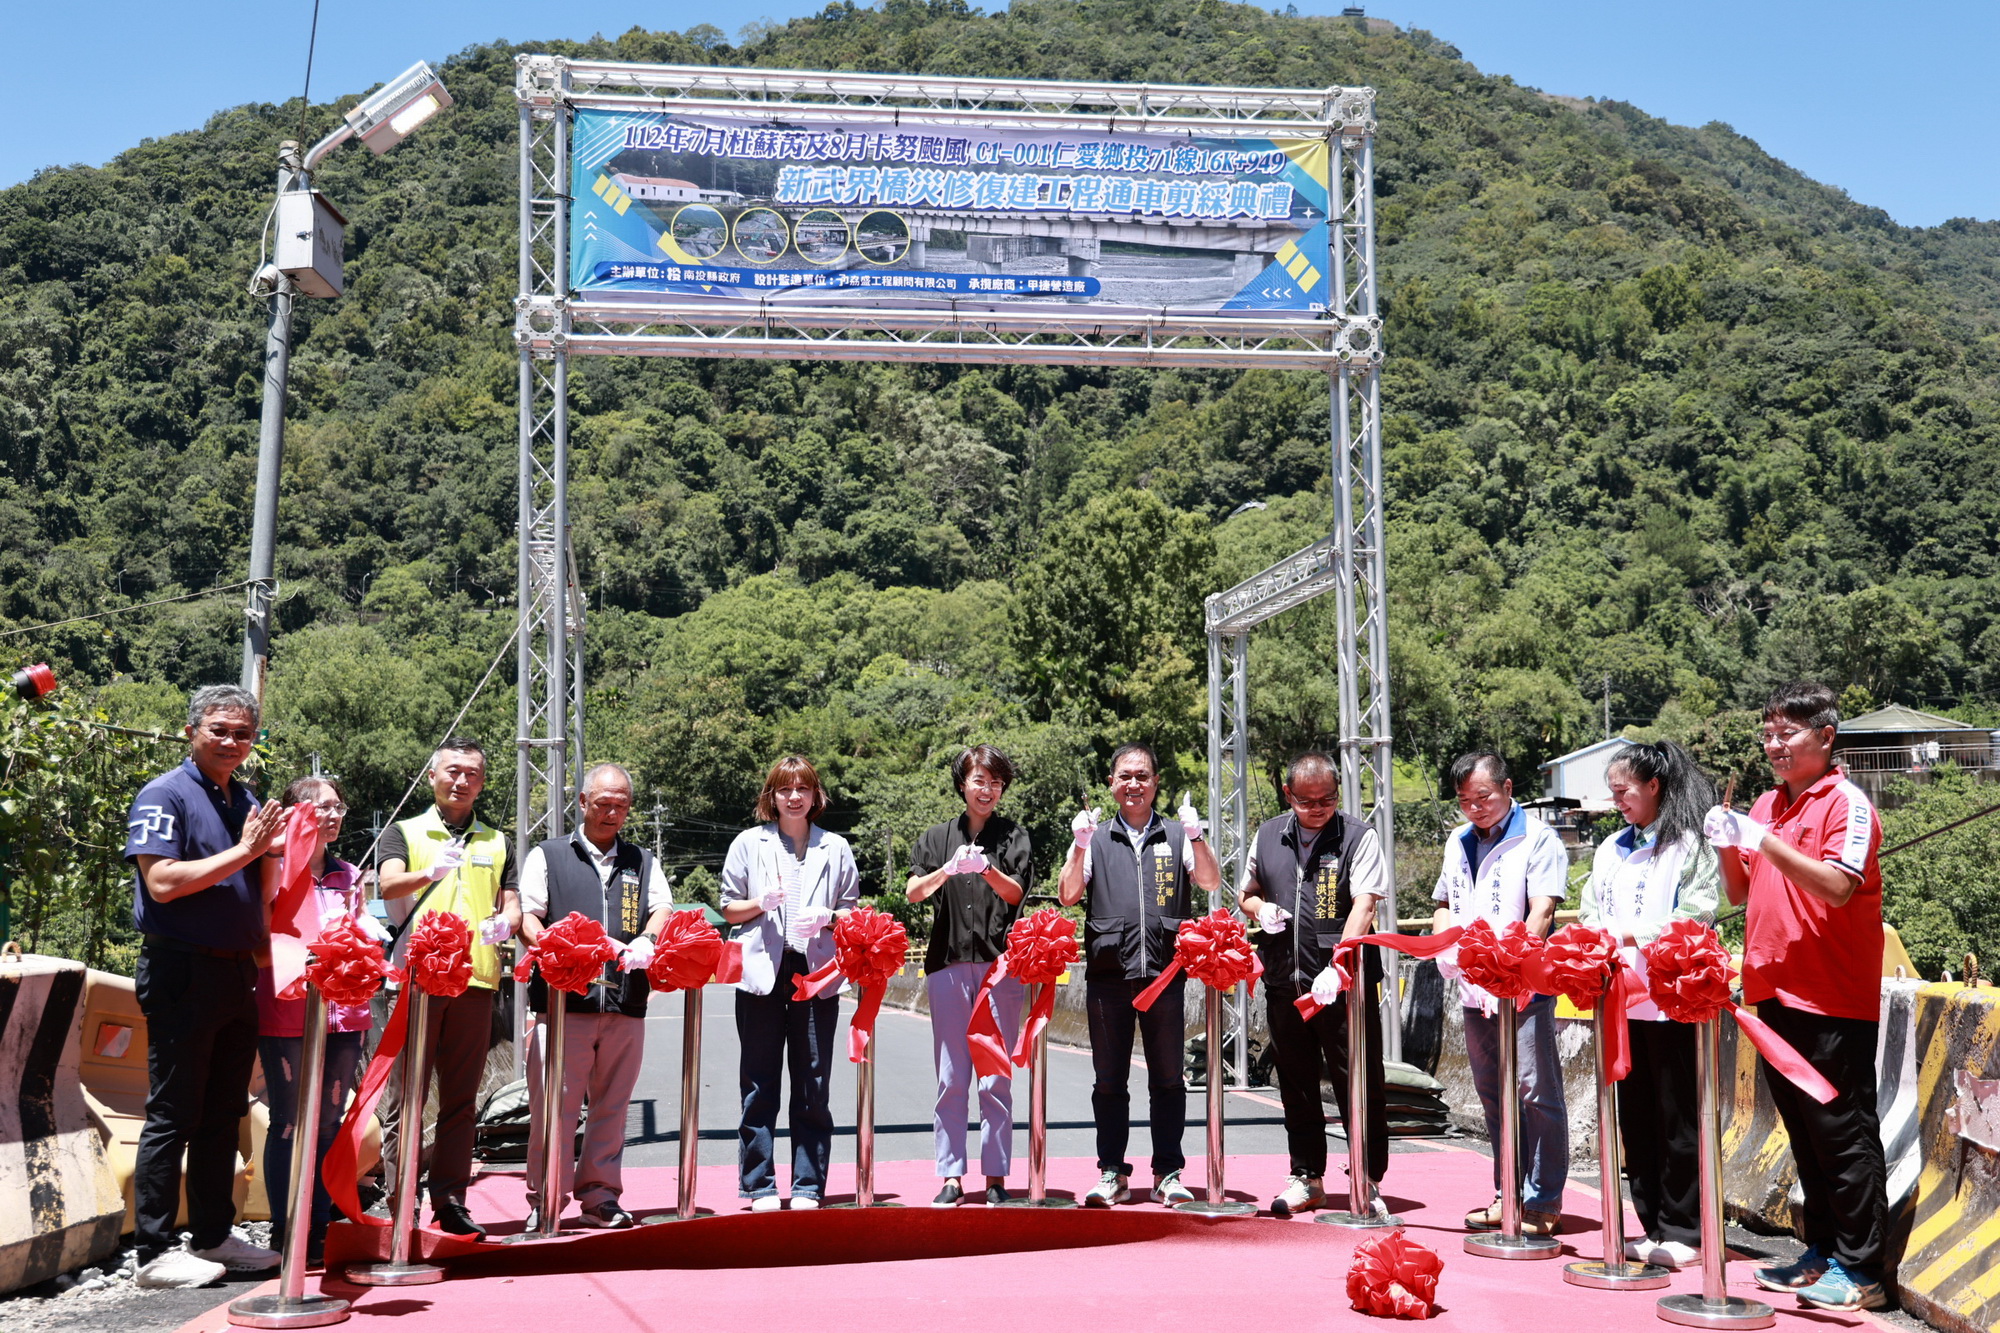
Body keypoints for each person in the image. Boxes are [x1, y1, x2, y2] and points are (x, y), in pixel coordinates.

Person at [1711, 682, 1889, 1312]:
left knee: (1843, 1132)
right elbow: (1739, 892)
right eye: (1767, 734)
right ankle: (1822, 1251)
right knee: (1805, 1132)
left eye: (1787, 733)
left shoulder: (1847, 803)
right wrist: (1727, 844)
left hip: (1830, 995)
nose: (1774, 745)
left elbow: (1838, 887)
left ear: (1826, 736)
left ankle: (1862, 1269)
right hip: (1773, 991)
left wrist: (1762, 840)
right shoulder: (1766, 804)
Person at [124, 684, 287, 1287]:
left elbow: (260, 888)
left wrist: (270, 853)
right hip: (182, 968)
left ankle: (214, 1235)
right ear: (191, 730)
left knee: (225, 1111)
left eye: (243, 733)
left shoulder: (244, 798)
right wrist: (246, 850)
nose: (231, 742)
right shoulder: (165, 794)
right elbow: (163, 882)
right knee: (174, 1111)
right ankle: (154, 1250)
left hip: (238, 970)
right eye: (219, 729)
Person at [1058, 742, 1220, 1208]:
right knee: (1109, 1081)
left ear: (1155, 783)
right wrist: (1079, 845)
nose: (1134, 784)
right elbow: (1068, 894)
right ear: (1112, 783)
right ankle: (1112, 1172)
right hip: (1108, 976)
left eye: (1142, 776)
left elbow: (1209, 881)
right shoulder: (1095, 836)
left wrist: (1197, 836)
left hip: (1165, 975)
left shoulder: (1176, 835)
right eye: (1125, 776)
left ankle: (1168, 1172)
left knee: (1168, 1079)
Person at [1577, 740, 1719, 1269]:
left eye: (1624, 791)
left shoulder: (1691, 845)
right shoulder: (1609, 848)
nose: (1617, 801)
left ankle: (1685, 1229)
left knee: (1677, 1116)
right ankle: (1652, 1222)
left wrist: (1628, 935)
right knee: (1634, 1117)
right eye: (1613, 792)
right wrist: (1597, 939)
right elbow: (1590, 910)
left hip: (1672, 998)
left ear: (1654, 786)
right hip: (1619, 997)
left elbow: (1697, 913)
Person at [375, 737, 519, 1239]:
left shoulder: (496, 840)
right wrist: (427, 873)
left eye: (472, 774)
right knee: (408, 1098)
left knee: (461, 1100)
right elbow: (387, 884)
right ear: (433, 775)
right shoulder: (404, 831)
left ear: (482, 782)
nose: (461, 781)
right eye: (453, 771)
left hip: (476, 982)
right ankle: (400, 1203)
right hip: (417, 983)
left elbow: (512, 901)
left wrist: (507, 922)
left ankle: (450, 1201)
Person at [518, 763, 673, 1231]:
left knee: (612, 1107)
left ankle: (601, 1197)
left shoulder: (641, 860)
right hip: (563, 1006)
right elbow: (528, 916)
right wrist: (554, 949)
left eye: (621, 805)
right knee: (554, 1107)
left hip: (625, 1002)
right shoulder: (549, 855)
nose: (611, 813)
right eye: (603, 803)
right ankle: (546, 1199)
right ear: (582, 802)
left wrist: (647, 938)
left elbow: (662, 906)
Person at [1238, 752, 1390, 1218]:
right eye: (1307, 801)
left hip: (1344, 986)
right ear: (1288, 795)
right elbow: (1246, 894)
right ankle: (1307, 1176)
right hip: (1284, 980)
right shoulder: (1268, 835)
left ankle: (1367, 1178)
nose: (1319, 809)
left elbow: (1365, 905)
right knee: (1296, 1081)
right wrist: (1261, 910)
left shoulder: (1358, 837)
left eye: (1328, 799)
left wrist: (1339, 963)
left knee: (1358, 1079)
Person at [1430, 750, 1570, 1236]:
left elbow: (1542, 910)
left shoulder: (1539, 837)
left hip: (1523, 984)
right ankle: (1506, 1191)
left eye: (1484, 797)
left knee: (1535, 1088)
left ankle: (1543, 1199)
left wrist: (1511, 965)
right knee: (1492, 1091)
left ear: (1508, 789)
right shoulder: (1458, 840)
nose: (1475, 808)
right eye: (1465, 800)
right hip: (1474, 986)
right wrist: (1445, 946)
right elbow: (1443, 902)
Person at [720, 756, 860, 1211]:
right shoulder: (749, 842)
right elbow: (729, 908)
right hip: (763, 971)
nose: (794, 797)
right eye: (785, 789)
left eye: (803, 788)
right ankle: (759, 1184)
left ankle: (807, 1185)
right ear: (772, 796)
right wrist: (760, 903)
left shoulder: (835, 846)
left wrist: (830, 916)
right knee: (759, 1081)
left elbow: (853, 911)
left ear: (816, 795)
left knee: (813, 1081)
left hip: (815, 971)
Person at [255, 774, 373, 1269]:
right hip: (289, 1008)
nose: (332, 815)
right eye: (321, 807)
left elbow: (359, 932)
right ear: (296, 813)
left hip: (345, 1012)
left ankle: (320, 1228)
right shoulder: (273, 866)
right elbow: (260, 927)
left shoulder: (350, 874)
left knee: (328, 1122)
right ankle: (287, 1230)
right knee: (288, 1121)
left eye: (337, 806)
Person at [906, 745, 1032, 1207]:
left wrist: (986, 868)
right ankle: (951, 1175)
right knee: (952, 1074)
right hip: (948, 964)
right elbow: (913, 892)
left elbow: (1017, 892)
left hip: (1001, 968)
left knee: (995, 1076)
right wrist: (947, 869)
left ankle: (996, 1175)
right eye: (979, 780)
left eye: (996, 782)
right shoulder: (936, 837)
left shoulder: (1014, 836)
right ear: (962, 784)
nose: (987, 790)